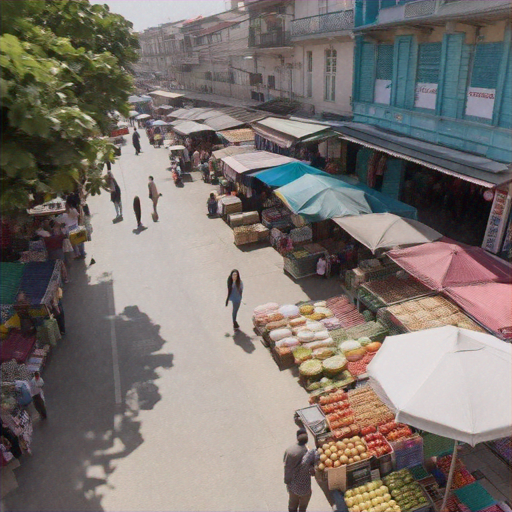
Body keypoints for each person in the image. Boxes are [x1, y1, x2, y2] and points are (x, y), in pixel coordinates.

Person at [283, 429, 318, 512]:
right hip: (305, 488)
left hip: (293, 486)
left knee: (292, 505)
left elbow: (287, 468)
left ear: (297, 438)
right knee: (303, 508)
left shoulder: (290, 451)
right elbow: (313, 471)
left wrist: (287, 482)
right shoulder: (310, 452)